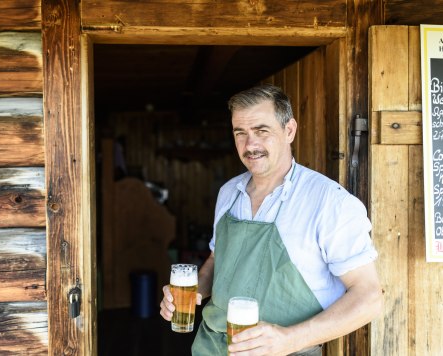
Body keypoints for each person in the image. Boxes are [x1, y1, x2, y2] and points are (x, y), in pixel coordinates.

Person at [160, 84, 383, 355]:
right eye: (240, 133)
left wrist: (290, 339)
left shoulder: (329, 202)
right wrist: (192, 292)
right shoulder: (229, 192)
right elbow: (219, 260)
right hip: (211, 347)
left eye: (261, 131)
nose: (250, 145)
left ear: (289, 130)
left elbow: (369, 297)